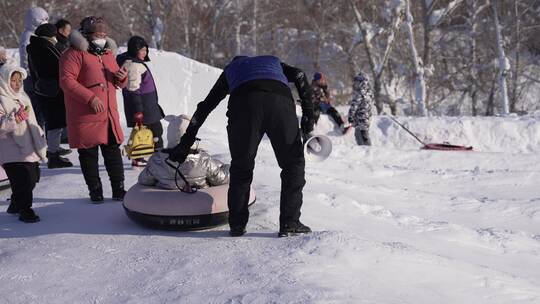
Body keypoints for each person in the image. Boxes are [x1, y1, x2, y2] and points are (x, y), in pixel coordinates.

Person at [167, 55, 316, 237]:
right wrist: (309, 114)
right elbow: (300, 75)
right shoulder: (273, 62)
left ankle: (237, 225)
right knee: (293, 165)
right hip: (279, 103)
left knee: (241, 167)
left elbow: (205, 107)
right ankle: (290, 223)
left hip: (243, 106)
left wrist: (185, 144)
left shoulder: (231, 70)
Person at [59, 16, 128, 203]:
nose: (102, 37)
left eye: (105, 34)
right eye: (98, 34)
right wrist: (90, 98)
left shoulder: (107, 54)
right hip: (86, 113)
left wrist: (121, 77)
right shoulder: (73, 54)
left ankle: (119, 189)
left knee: (113, 152)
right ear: (87, 35)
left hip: (108, 114)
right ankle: (95, 191)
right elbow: (67, 81)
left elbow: (117, 81)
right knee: (88, 154)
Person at [0, 65, 47, 223]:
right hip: (10, 150)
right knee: (24, 180)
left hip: (28, 147)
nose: (17, 84)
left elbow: (32, 119)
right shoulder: (1, 98)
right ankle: (25, 210)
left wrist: (39, 134)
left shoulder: (23, 96)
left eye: (19, 80)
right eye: (13, 81)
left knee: (33, 177)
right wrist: (15, 118)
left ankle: (16, 203)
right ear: (5, 81)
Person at [139, 115, 229, 190]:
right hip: (199, 205)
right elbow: (220, 179)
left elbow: (144, 180)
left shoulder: (157, 160)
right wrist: (228, 167)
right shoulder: (203, 160)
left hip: (165, 205)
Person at [26, 23, 73, 169]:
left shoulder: (37, 47)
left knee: (54, 120)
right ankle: (53, 154)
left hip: (45, 89)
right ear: (49, 36)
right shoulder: (44, 48)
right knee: (55, 121)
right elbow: (55, 66)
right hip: (52, 90)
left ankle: (54, 148)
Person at [117, 35, 164, 167]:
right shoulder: (133, 65)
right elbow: (133, 89)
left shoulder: (134, 62)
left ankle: (148, 156)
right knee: (152, 131)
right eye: (142, 50)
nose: (145, 53)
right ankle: (154, 157)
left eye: (146, 50)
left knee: (148, 131)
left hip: (148, 104)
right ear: (134, 50)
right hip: (143, 106)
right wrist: (138, 110)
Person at [19, 6, 49, 129]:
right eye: (41, 20)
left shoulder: (34, 35)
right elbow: (27, 59)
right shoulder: (29, 37)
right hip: (32, 77)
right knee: (36, 106)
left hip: (35, 76)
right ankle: (38, 132)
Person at [348, 72, 374, 146]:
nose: (355, 83)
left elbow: (354, 105)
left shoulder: (359, 92)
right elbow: (371, 103)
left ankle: (367, 151)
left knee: (360, 135)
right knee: (363, 134)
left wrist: (350, 116)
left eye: (357, 81)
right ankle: (366, 150)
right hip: (367, 117)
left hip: (361, 118)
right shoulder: (369, 91)